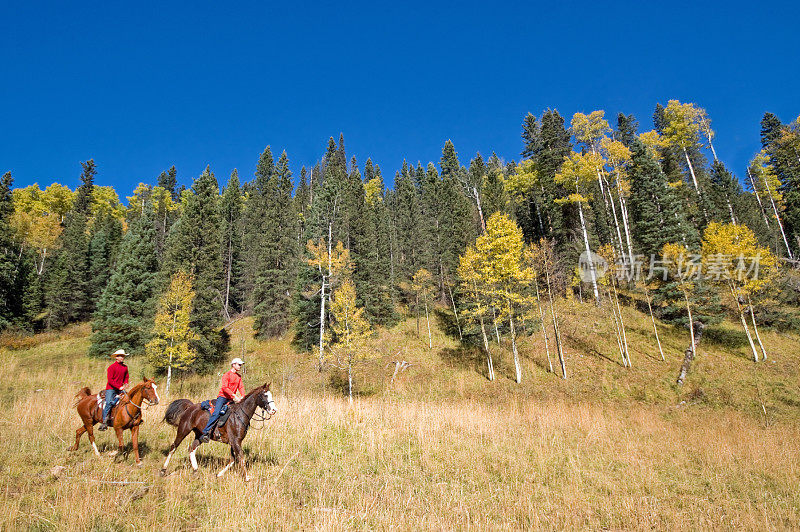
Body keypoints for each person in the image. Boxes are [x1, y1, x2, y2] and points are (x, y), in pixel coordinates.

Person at [200, 358, 245, 443]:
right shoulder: (226, 375)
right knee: (216, 413)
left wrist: (243, 396)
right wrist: (234, 395)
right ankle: (205, 432)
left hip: (231, 398)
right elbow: (224, 388)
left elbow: (241, 387)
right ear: (233, 365)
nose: (240, 366)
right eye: (239, 364)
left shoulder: (239, 377)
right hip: (223, 397)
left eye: (240, 365)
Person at [98, 349, 129, 431]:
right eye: (120, 356)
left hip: (120, 388)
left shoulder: (125, 367)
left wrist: (126, 383)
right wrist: (119, 387)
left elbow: (126, 377)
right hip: (111, 388)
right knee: (108, 403)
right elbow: (110, 380)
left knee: (128, 399)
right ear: (116, 357)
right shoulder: (111, 367)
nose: (122, 357)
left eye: (123, 356)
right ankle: (104, 422)